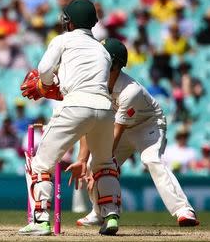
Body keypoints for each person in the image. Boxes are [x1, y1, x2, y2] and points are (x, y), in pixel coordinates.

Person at [19, 0, 121, 236]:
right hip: (105, 109)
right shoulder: (103, 50)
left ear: (69, 21)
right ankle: (112, 215)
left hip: (75, 105)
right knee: (104, 164)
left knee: (41, 163)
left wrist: (47, 85)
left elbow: (44, 69)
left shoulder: (62, 40)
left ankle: (41, 220)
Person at [72, 38, 199, 228]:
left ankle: (184, 210)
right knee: (91, 165)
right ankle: (99, 212)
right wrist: (86, 160)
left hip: (148, 125)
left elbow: (116, 132)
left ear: (113, 65)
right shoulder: (93, 83)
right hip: (121, 126)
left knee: (151, 160)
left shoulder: (130, 91)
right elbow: (88, 121)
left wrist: (102, 162)